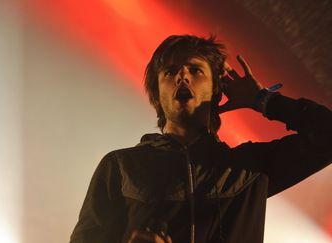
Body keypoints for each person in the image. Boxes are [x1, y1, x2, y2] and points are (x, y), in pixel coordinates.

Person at [69, 35, 332, 243]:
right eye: (170, 72)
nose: (182, 76)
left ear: (218, 90)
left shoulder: (251, 168)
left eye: (195, 70)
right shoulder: (121, 166)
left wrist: (263, 100)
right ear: (157, 95)